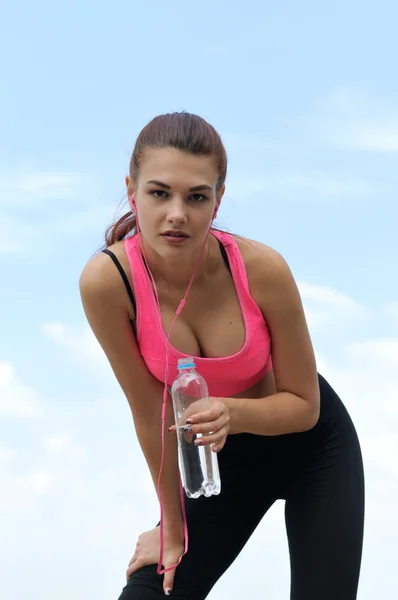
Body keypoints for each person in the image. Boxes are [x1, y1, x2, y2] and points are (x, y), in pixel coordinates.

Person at [79, 112, 365, 599]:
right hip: (220, 460)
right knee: (151, 591)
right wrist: (172, 528)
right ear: (132, 191)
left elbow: (305, 405)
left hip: (315, 447)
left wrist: (231, 411)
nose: (177, 214)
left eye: (196, 197)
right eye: (159, 193)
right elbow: (151, 413)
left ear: (218, 199)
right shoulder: (108, 283)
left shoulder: (262, 269)